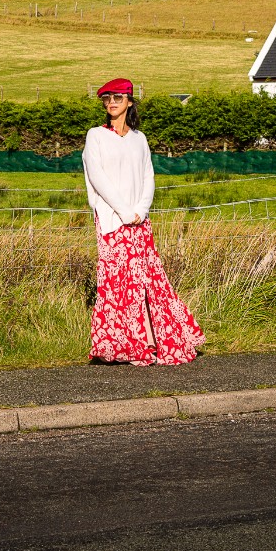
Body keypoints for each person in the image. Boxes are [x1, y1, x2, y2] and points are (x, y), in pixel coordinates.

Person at [82, 78, 203, 366]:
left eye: (118, 98)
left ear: (130, 102)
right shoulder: (96, 136)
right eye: (107, 99)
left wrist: (140, 208)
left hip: (139, 220)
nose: (112, 103)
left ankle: (150, 341)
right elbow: (97, 176)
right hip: (113, 220)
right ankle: (119, 345)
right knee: (117, 282)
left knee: (146, 281)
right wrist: (124, 210)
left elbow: (148, 175)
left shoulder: (140, 138)